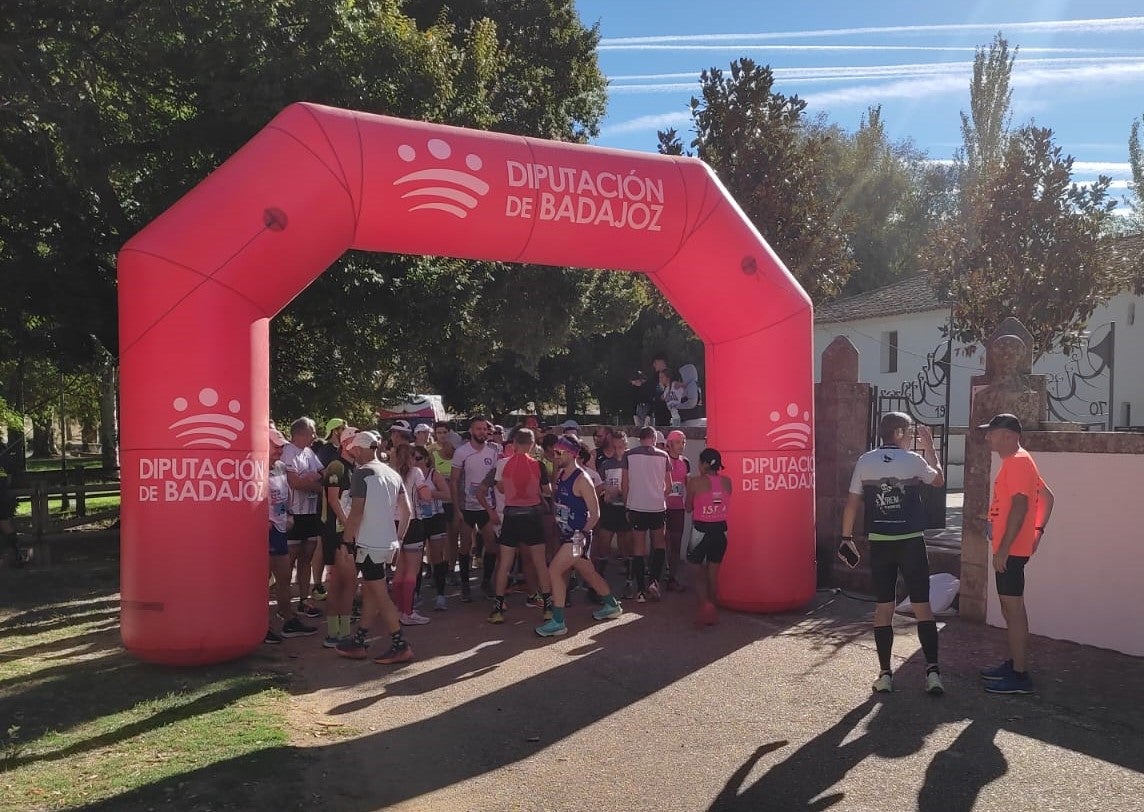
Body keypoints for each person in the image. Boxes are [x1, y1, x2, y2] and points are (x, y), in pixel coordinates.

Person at [840, 412, 945, 696]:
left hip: (881, 543)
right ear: (898, 432)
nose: (911, 436)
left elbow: (851, 504)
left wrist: (846, 538)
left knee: (884, 606)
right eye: (909, 432)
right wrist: (930, 449)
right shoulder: (913, 460)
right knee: (922, 605)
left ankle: (885, 675)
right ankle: (933, 673)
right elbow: (939, 481)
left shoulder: (865, 460)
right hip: (911, 542)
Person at [979, 413, 1055, 695]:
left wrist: (1004, 548)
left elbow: (1021, 507)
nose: (988, 436)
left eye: (993, 432)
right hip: (1011, 549)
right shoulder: (1017, 461)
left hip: (1010, 551)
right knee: (1010, 609)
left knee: (1014, 610)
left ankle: (1020, 675)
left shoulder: (1020, 462)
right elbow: (1048, 496)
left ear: (1009, 435)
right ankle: (1014, 664)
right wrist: (1037, 532)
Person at [336, 431, 415, 664]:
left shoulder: (362, 473)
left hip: (368, 544)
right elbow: (407, 511)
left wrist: (346, 541)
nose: (354, 456)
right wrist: (398, 539)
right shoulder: (392, 473)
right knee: (372, 591)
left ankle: (400, 643)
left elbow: (357, 511)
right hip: (387, 543)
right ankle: (359, 640)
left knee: (379, 594)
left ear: (360, 449)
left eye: (355, 451)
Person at [535, 435, 623, 637]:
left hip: (577, 538)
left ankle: (558, 621)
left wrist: (581, 535)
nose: (554, 456)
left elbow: (595, 514)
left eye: (559, 452)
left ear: (571, 453)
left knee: (555, 570)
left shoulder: (583, 479)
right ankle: (612, 605)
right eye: (554, 452)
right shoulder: (560, 475)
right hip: (566, 535)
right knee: (589, 572)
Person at [484, 428, 553, 624]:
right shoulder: (538, 465)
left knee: (505, 563)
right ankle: (548, 607)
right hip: (532, 514)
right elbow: (547, 491)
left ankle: (497, 609)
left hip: (511, 514)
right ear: (532, 445)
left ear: (514, 443)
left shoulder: (503, 464)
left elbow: (500, 487)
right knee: (540, 562)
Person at [266, 428, 317, 642]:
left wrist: (287, 513)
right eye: (275, 445)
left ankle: (288, 619)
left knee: (284, 577)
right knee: (262, 580)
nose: (279, 449)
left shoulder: (279, 467)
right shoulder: (253, 467)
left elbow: (285, 492)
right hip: (263, 532)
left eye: (281, 445)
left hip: (279, 528)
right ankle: (262, 625)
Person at [450, 416, 500, 601]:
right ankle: (465, 585)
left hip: (486, 505)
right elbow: (454, 481)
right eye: (478, 429)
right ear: (471, 431)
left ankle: (486, 582)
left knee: (491, 545)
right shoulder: (462, 452)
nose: (482, 432)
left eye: (484, 429)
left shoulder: (493, 450)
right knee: (465, 546)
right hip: (466, 506)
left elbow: (496, 476)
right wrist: (457, 508)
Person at [318, 426, 360, 647]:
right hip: (337, 533)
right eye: (354, 441)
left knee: (340, 583)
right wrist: (349, 527)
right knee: (347, 582)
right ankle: (338, 633)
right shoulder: (336, 466)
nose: (359, 445)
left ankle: (337, 632)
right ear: (344, 444)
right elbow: (333, 501)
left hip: (347, 531)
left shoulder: (355, 468)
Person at [621, 426, 672, 602]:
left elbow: (625, 484)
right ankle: (654, 581)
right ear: (654, 438)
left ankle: (641, 591)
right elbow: (670, 486)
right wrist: (658, 495)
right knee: (659, 544)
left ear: (640, 438)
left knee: (638, 548)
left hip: (636, 506)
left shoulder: (629, 455)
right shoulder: (663, 456)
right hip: (657, 506)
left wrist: (627, 505)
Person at [282, 418, 325, 620]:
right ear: (299, 433)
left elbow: (322, 476)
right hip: (292, 512)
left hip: (310, 512)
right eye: (312, 432)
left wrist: (315, 482)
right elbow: (295, 483)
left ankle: (303, 600)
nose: (315, 436)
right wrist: (315, 484)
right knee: (289, 558)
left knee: (307, 557)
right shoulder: (287, 451)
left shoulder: (310, 453)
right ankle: (283, 606)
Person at [685, 447, 732, 627]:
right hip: (721, 530)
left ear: (704, 464)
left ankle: (704, 606)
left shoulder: (695, 482)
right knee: (713, 572)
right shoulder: (728, 482)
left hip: (701, 530)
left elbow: (688, 508)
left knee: (694, 569)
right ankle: (712, 605)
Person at [663, 430, 691, 592]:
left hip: (678, 508)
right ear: (670, 444)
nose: (682, 445)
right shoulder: (662, 459)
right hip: (662, 507)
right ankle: (657, 577)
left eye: (684, 442)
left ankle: (672, 578)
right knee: (661, 542)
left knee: (676, 543)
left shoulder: (685, 461)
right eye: (679, 442)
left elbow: (688, 484)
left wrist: (690, 501)